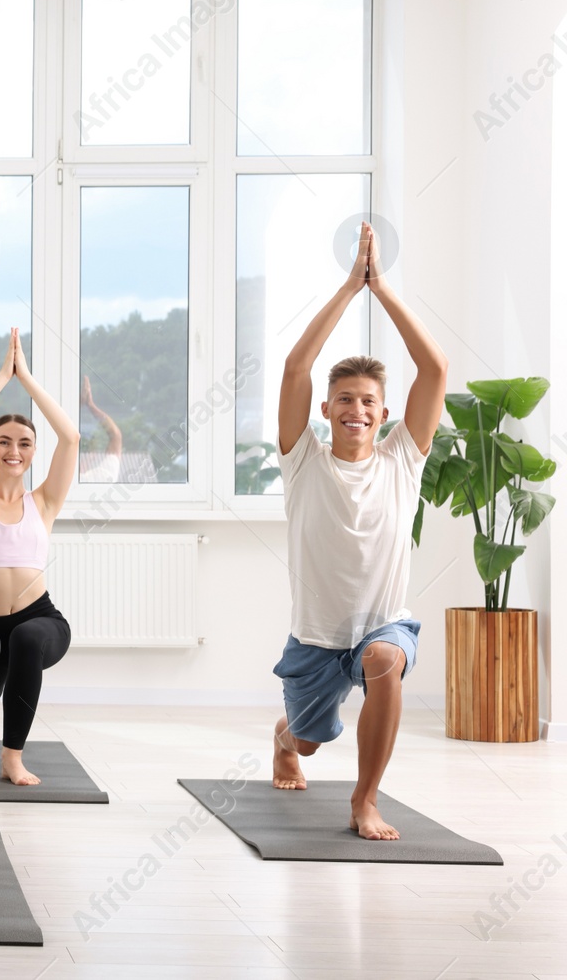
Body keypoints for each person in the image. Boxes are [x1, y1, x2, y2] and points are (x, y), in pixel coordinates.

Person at [271, 222, 446, 841]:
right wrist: (350, 288)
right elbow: (296, 366)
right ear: (326, 410)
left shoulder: (403, 459)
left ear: (384, 412)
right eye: (344, 399)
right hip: (316, 636)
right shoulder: (303, 461)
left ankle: (365, 800)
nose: (356, 410)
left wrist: (383, 290)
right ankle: (287, 738)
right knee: (310, 740)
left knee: (384, 658)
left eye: (368, 401)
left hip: (380, 621)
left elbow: (434, 367)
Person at [0, 328, 79, 785]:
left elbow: (71, 437)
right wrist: (0, 377)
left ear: (31, 454)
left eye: (24, 443)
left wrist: (25, 379)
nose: (13, 450)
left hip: (40, 619)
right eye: (4, 441)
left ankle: (13, 756)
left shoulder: (43, 503)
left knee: (26, 638)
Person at [79, 374, 123, 482]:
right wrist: (90, 405)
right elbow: (115, 436)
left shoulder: (73, 482)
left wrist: (79, 405)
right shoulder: (106, 477)